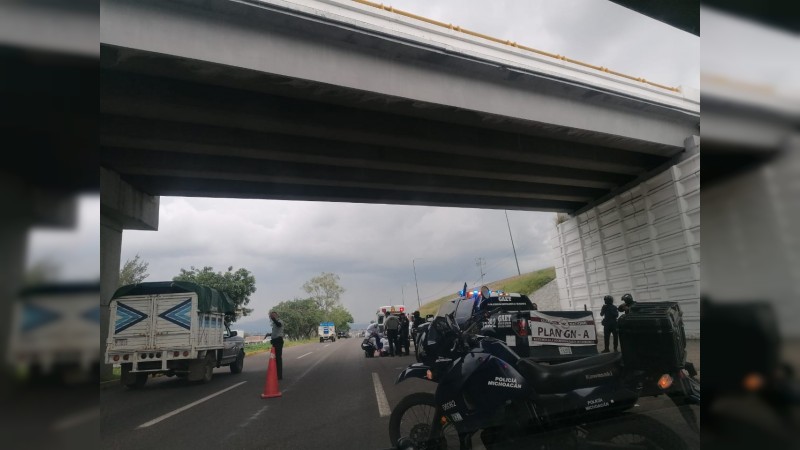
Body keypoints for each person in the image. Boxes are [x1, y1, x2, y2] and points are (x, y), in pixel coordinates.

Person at [268, 311, 285, 380]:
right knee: (274, 358)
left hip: (278, 341)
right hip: (274, 341)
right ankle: (275, 374)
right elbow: (275, 332)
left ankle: (279, 376)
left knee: (278, 358)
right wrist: (269, 334)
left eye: (274, 315)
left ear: (277, 315)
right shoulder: (274, 323)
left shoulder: (279, 321)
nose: (273, 316)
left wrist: (273, 319)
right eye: (271, 315)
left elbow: (279, 325)